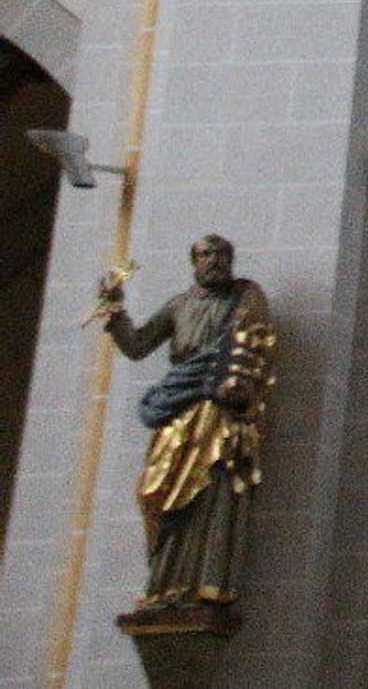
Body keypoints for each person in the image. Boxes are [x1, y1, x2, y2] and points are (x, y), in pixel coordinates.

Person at [97, 234, 276, 617]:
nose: (215, 260)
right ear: (194, 262)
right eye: (206, 254)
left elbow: (254, 350)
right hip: (178, 406)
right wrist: (115, 311)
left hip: (215, 411)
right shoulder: (178, 305)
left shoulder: (243, 300)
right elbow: (138, 345)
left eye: (222, 254)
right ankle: (161, 580)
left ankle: (197, 584)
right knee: (156, 491)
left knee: (207, 491)